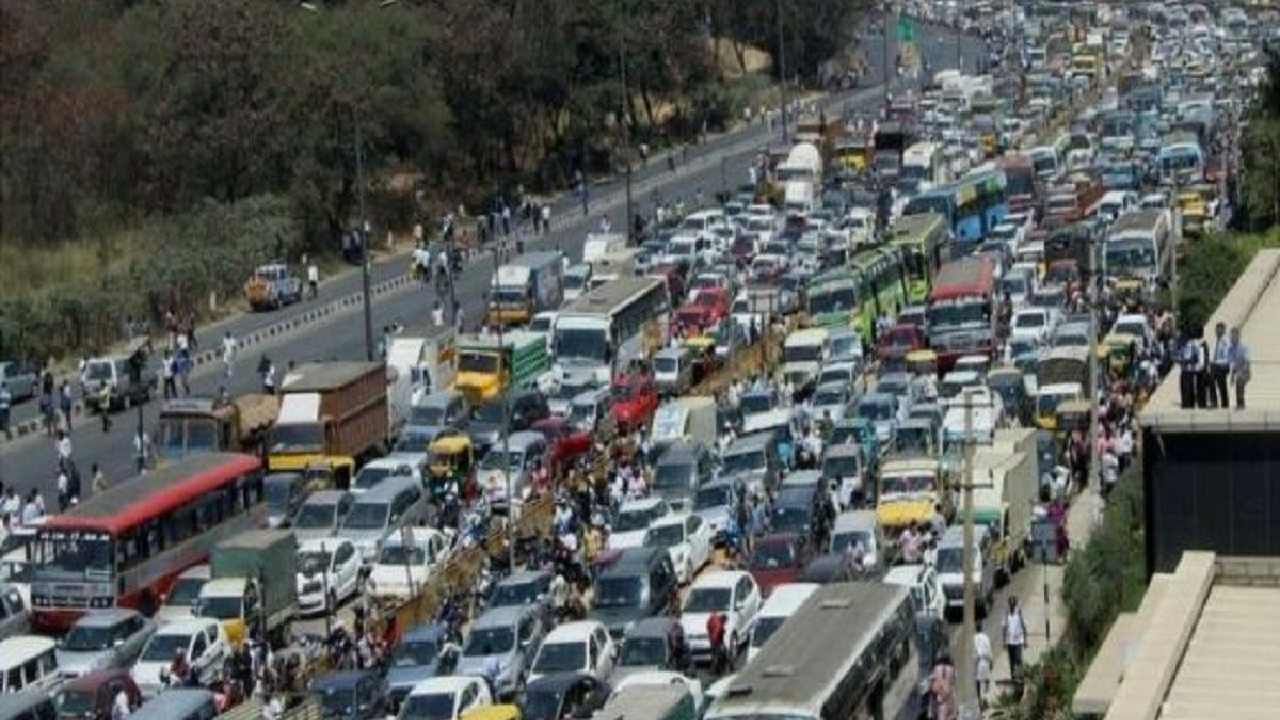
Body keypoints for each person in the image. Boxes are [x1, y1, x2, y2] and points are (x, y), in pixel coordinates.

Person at [1003, 596, 1028, 682]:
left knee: (1018, 660)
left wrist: (1025, 640)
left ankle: (1021, 677)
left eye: (1013, 605)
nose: (1012, 606)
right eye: (1011, 605)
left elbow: (1024, 627)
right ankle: (1013, 678)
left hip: (1018, 641)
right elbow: (1004, 628)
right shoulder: (1007, 615)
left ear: (1015, 605)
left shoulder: (1019, 614)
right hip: (1010, 642)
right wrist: (1004, 641)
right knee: (1012, 662)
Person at [927, 653, 957, 720]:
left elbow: (932, 684)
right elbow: (954, 681)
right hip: (949, 696)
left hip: (940, 698)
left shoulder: (936, 668)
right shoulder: (952, 668)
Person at [1229, 326, 1250, 409]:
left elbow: (1247, 362)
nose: (1232, 338)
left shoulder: (1244, 347)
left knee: (1240, 382)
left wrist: (1241, 372)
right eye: (1231, 336)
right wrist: (1232, 376)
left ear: (1238, 336)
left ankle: (1241, 403)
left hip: (1245, 371)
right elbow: (1233, 364)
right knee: (1238, 383)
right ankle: (1239, 403)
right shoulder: (1231, 349)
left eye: (1234, 336)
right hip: (1237, 371)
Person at [1210, 321, 1230, 408]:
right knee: (1210, 381)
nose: (1217, 331)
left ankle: (1225, 404)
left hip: (1223, 366)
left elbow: (1226, 358)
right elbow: (1211, 354)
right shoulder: (1214, 341)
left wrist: (1216, 362)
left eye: (1220, 329)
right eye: (1217, 329)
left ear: (1223, 331)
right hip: (1215, 366)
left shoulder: (1226, 342)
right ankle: (1214, 401)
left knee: (1222, 385)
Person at [974, 621, 993, 707]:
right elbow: (989, 650)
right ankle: (985, 699)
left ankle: (979, 700)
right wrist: (991, 661)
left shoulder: (974, 638)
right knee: (986, 681)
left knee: (977, 681)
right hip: (986, 661)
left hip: (978, 662)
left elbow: (973, 652)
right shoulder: (986, 637)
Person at [706, 610, 727, 676]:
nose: (725, 623)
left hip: (713, 640)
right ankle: (718, 671)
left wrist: (711, 637)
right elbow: (717, 633)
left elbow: (708, 627)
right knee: (719, 656)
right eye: (725, 621)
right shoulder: (719, 625)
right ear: (723, 619)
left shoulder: (713, 620)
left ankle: (712, 671)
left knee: (714, 656)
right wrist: (716, 642)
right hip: (717, 642)